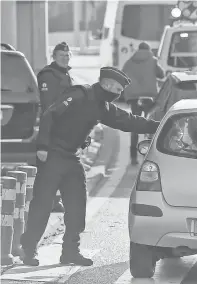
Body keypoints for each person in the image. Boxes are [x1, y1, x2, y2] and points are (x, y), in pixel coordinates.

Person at [20, 67, 161, 267]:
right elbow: (50, 115)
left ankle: (70, 251)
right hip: (52, 155)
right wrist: (42, 147)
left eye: (119, 90)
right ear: (104, 83)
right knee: (42, 205)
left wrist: (159, 125)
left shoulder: (102, 106)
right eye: (113, 87)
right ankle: (29, 249)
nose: (115, 92)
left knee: (77, 205)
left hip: (71, 158)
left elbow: (128, 121)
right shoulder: (79, 94)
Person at [37, 42, 75, 213]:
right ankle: (49, 202)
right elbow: (49, 107)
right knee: (51, 167)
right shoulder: (49, 75)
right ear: (54, 57)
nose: (66, 58)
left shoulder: (64, 74)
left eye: (67, 56)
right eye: (62, 56)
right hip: (54, 127)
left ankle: (55, 200)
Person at [122, 41, 165, 165]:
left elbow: (122, 75)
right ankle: (150, 154)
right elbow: (161, 75)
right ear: (149, 50)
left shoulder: (129, 61)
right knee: (150, 124)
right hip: (149, 96)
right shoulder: (153, 60)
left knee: (135, 125)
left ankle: (133, 156)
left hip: (134, 98)